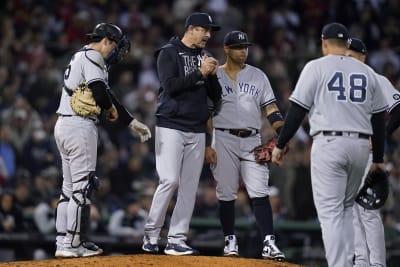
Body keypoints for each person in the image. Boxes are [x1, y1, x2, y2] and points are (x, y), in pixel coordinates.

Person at [271, 23, 387, 267]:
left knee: (331, 213)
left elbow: (297, 110)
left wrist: (280, 144)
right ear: (347, 45)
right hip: (359, 147)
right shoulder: (367, 72)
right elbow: (378, 119)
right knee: (345, 210)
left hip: (329, 143)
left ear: (324, 43)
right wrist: (377, 158)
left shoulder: (316, 67)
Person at [54, 22, 151, 258]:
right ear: (106, 40)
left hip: (64, 125)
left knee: (68, 190)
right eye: (115, 46)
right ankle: (73, 243)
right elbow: (100, 91)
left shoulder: (81, 56)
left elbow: (106, 93)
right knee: (82, 188)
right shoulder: (94, 56)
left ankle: (64, 241)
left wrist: (130, 121)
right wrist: (109, 108)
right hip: (79, 126)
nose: (116, 52)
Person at [142, 12, 222, 256]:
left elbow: (216, 95)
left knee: (189, 186)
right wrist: (200, 74)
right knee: (169, 180)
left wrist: (210, 74)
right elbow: (171, 86)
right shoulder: (169, 52)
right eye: (204, 30)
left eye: (209, 31)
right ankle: (151, 234)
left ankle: (177, 239)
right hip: (170, 124)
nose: (208, 35)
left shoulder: (205, 57)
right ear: (191, 29)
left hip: (196, 128)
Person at [205, 30, 285, 260]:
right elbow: (205, 113)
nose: (244, 51)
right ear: (227, 49)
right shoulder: (214, 75)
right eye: (239, 47)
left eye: (246, 47)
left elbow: (271, 109)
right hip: (222, 137)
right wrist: (207, 143)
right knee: (226, 193)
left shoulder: (258, 75)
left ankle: (269, 242)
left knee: (260, 191)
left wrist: (283, 133)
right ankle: (230, 239)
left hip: (253, 139)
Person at [347, 38, 400, 267]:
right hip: (344, 147)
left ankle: (377, 263)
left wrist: (380, 136)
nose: (348, 58)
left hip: (366, 150)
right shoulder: (339, 82)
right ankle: (361, 261)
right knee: (350, 209)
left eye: (353, 54)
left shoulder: (376, 79)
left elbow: (398, 109)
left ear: (363, 56)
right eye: (345, 54)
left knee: (368, 209)